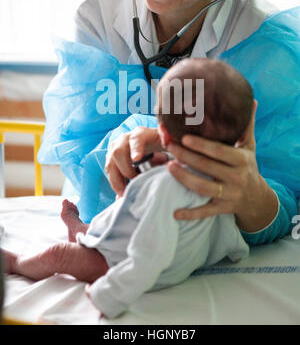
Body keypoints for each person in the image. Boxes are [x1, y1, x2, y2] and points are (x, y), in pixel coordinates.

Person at [40, 0, 300, 245]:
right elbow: (83, 162)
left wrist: (252, 194)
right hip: (115, 234)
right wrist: (130, 141)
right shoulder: (98, 20)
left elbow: (285, 207)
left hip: (206, 243)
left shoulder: (267, 47)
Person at [4, 58, 252, 319]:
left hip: (125, 265)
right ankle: (82, 231)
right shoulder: (222, 184)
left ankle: (16, 262)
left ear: (162, 133)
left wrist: (110, 294)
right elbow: (223, 228)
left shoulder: (167, 187)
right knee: (118, 212)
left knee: (59, 255)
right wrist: (239, 250)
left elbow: (150, 254)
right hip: (174, 260)